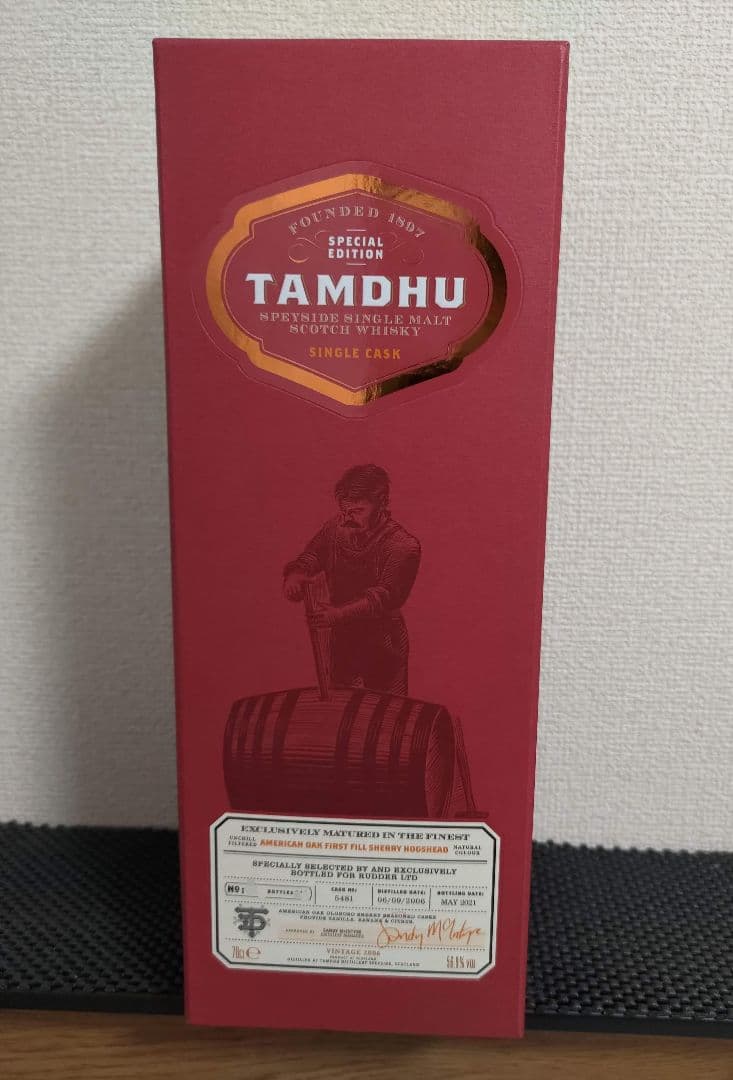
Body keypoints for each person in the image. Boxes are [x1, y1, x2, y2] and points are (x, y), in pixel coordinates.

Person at [283, 465, 421, 695]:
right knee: (341, 707)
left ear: (382, 502)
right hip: (342, 642)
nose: (348, 519)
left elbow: (384, 597)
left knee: (385, 710)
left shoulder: (403, 545)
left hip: (383, 645)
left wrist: (337, 614)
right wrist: (296, 574)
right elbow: (313, 555)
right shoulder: (335, 528)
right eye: (344, 511)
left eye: (357, 511)